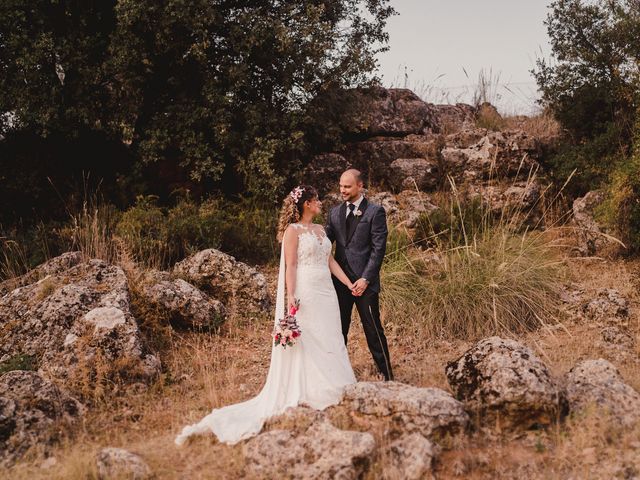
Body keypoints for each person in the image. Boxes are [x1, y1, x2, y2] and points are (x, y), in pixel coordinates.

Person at [174, 185, 357, 446]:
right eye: (316, 200)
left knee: (330, 335)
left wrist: (349, 284)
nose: (320, 204)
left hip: (326, 291)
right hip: (306, 289)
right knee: (311, 336)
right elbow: (291, 264)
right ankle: (312, 387)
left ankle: (338, 380)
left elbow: (330, 261)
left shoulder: (320, 230)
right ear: (306, 204)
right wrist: (291, 294)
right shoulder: (292, 232)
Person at [325, 169, 394, 381]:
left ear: (360, 186)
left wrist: (365, 279)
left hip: (366, 283)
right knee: (339, 329)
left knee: (373, 330)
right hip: (341, 282)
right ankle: (339, 374)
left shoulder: (375, 212)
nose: (342, 190)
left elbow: (378, 249)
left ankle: (387, 375)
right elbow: (325, 243)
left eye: (347, 186)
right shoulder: (334, 213)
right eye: (341, 186)